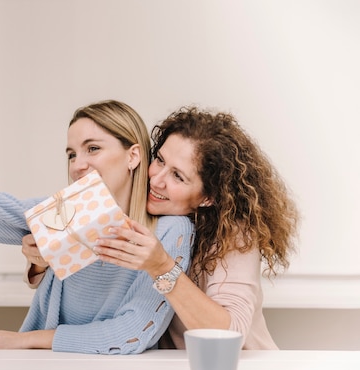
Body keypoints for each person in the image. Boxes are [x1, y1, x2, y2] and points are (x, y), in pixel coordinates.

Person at [0, 98, 196, 354]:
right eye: (71, 154)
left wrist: (31, 339)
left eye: (93, 148)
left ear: (133, 156)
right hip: (46, 368)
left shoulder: (169, 232)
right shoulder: (68, 212)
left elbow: (131, 332)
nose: (77, 165)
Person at [25, 106, 299, 349]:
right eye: (160, 160)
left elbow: (230, 334)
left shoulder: (234, 236)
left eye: (178, 176)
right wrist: (40, 262)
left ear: (208, 197)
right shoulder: (141, 211)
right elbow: (93, 278)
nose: (156, 180)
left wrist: (162, 267)